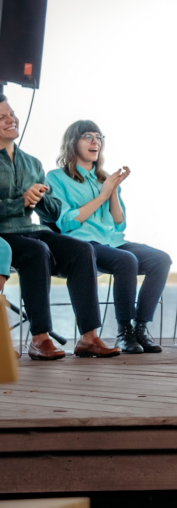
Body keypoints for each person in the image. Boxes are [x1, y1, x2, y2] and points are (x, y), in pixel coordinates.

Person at [0, 96, 119, 360]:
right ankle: (40, 338)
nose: (11, 120)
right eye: (2, 117)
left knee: (82, 250)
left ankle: (89, 337)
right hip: (3, 234)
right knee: (37, 251)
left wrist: (40, 198)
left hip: (29, 229)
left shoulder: (32, 163)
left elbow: (53, 211)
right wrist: (20, 202)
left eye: (12, 113)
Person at [46, 121, 172, 354]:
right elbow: (65, 222)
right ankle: (124, 332)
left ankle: (140, 328)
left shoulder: (104, 179)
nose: (96, 141)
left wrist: (112, 190)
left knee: (161, 259)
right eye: (88, 136)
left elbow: (119, 223)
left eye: (98, 137)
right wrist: (102, 196)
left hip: (113, 242)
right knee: (126, 260)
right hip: (82, 243)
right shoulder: (56, 178)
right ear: (73, 143)